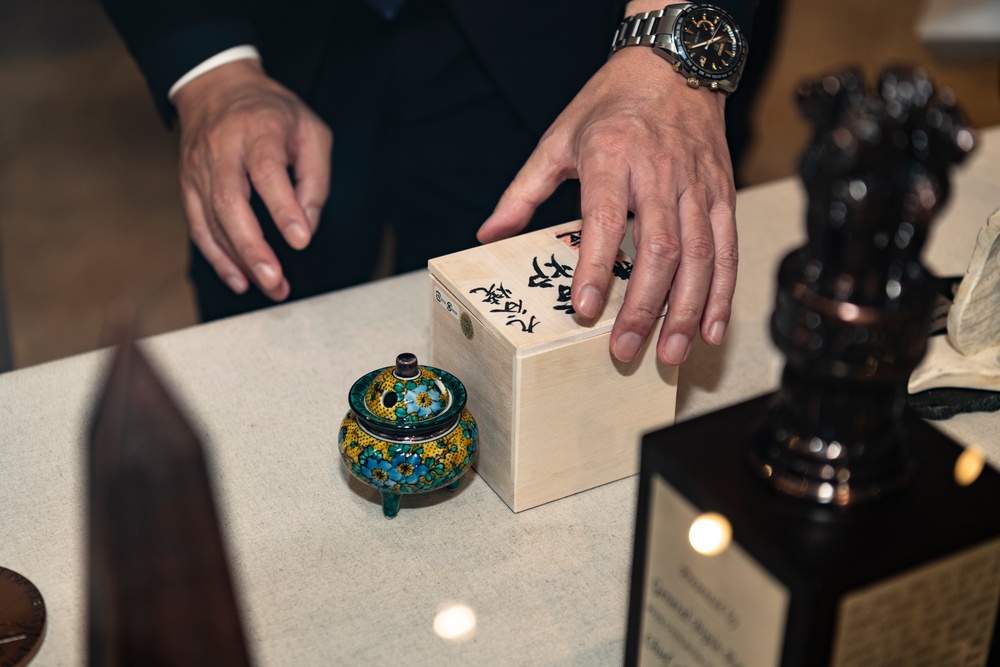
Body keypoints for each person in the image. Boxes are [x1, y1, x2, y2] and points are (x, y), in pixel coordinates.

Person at [102, 0, 773, 366]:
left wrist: (672, 42)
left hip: (554, 47)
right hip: (266, 42)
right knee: (257, 370)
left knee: (552, 371)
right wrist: (205, 65)